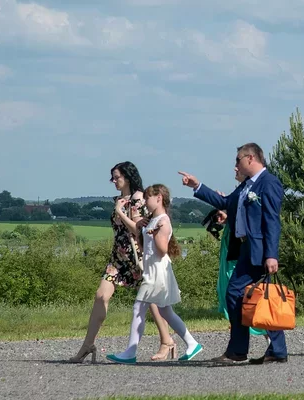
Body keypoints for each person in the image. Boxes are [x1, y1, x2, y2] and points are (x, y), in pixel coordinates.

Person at [179, 142, 288, 364]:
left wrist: (271, 254)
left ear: (250, 158)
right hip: (246, 248)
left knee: (240, 293)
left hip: (258, 250)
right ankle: (274, 350)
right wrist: (198, 186)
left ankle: (240, 351)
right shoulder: (247, 185)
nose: (235, 166)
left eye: (237, 160)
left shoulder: (269, 183)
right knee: (254, 296)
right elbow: (226, 202)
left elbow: (272, 221)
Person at [68, 162, 175, 364]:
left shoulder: (138, 199)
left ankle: (167, 341)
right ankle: (88, 345)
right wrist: (119, 208)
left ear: (127, 176)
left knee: (151, 300)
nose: (114, 181)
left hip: (138, 257)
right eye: (113, 178)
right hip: (118, 258)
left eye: (117, 177)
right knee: (101, 295)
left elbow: (138, 230)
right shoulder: (121, 200)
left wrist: (120, 212)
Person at [107, 184, 202, 363]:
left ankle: (130, 352)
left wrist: (155, 231)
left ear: (158, 198)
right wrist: (142, 229)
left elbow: (162, 249)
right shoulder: (152, 220)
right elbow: (144, 248)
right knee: (166, 311)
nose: (145, 202)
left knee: (138, 308)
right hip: (151, 269)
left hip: (159, 271)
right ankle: (192, 342)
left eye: (147, 198)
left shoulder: (163, 221)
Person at [211, 166, 266, 337]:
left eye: (238, 164)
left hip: (244, 247)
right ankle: (237, 337)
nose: (235, 168)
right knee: (228, 289)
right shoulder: (240, 191)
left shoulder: (255, 189)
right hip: (231, 243)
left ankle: (265, 331)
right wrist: (226, 218)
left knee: (243, 292)